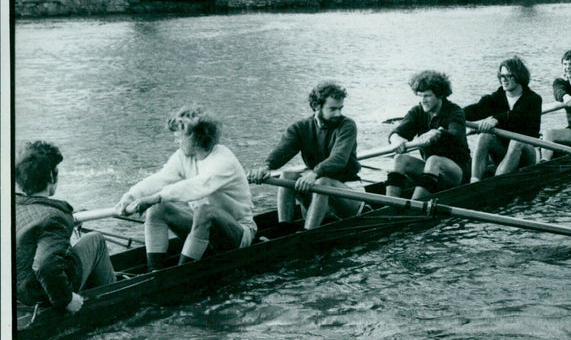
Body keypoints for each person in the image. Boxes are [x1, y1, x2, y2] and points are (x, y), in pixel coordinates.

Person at [115, 106, 257, 270]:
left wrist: (155, 197)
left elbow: (199, 186)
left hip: (239, 234)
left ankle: (182, 273)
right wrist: (130, 197)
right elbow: (160, 179)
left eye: (179, 137)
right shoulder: (182, 157)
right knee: (157, 209)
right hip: (205, 228)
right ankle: (154, 272)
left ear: (196, 137)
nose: (176, 141)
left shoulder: (223, 159)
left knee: (205, 211)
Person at [16, 141, 116, 313]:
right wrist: (66, 300)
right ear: (52, 177)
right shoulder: (54, 218)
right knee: (96, 240)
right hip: (42, 293)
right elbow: (44, 265)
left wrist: (69, 219)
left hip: (18, 290)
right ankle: (112, 302)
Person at [247, 82, 363, 230]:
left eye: (340, 108)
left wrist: (314, 173)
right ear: (316, 106)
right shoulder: (300, 128)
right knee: (287, 175)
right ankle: (284, 229)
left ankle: (307, 235)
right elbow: (282, 151)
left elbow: (339, 158)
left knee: (323, 182)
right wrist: (265, 167)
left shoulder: (347, 125)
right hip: (320, 188)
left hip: (350, 193)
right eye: (333, 109)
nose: (338, 114)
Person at [386, 70, 471, 199]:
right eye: (419, 96)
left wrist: (438, 133)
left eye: (427, 96)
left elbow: (455, 135)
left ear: (440, 95)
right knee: (399, 159)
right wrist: (396, 140)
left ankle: (414, 208)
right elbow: (398, 132)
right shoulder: (417, 111)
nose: (422, 101)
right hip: (431, 172)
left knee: (433, 160)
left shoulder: (455, 111)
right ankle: (390, 204)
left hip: (457, 173)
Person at [463, 56, 542, 180]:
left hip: (527, 152)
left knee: (516, 141)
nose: (503, 80)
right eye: (501, 76)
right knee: (484, 136)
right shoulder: (497, 97)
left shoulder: (533, 99)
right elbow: (477, 109)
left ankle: (496, 184)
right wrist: (455, 115)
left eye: (508, 76)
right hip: (503, 151)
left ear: (519, 76)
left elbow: (517, 114)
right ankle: (474, 182)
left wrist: (496, 119)